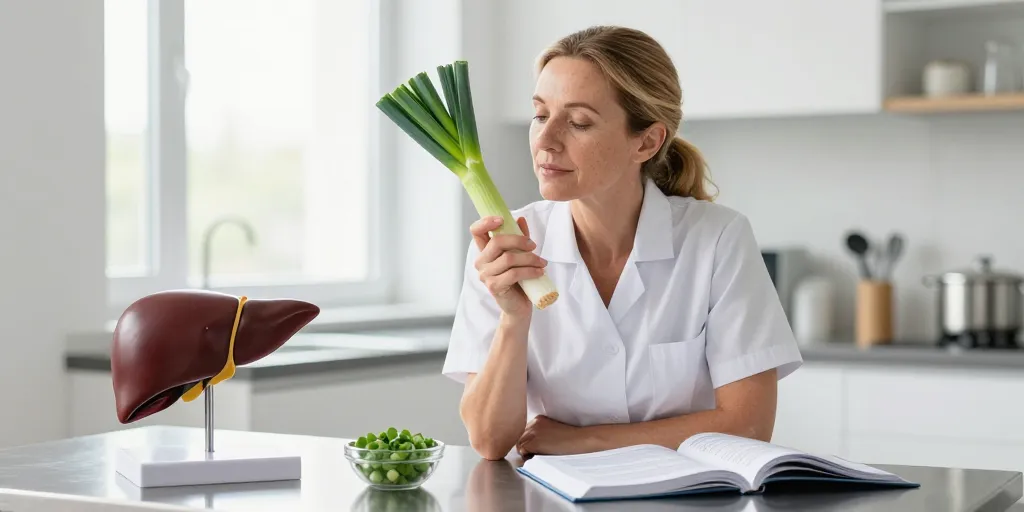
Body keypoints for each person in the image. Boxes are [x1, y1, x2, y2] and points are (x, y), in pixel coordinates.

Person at [441, 25, 803, 461]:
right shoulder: (506, 244)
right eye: (540, 114)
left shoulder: (717, 239)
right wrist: (513, 320)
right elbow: (489, 441)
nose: (546, 140)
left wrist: (584, 441)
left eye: (578, 122)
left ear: (647, 142)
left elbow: (747, 424)